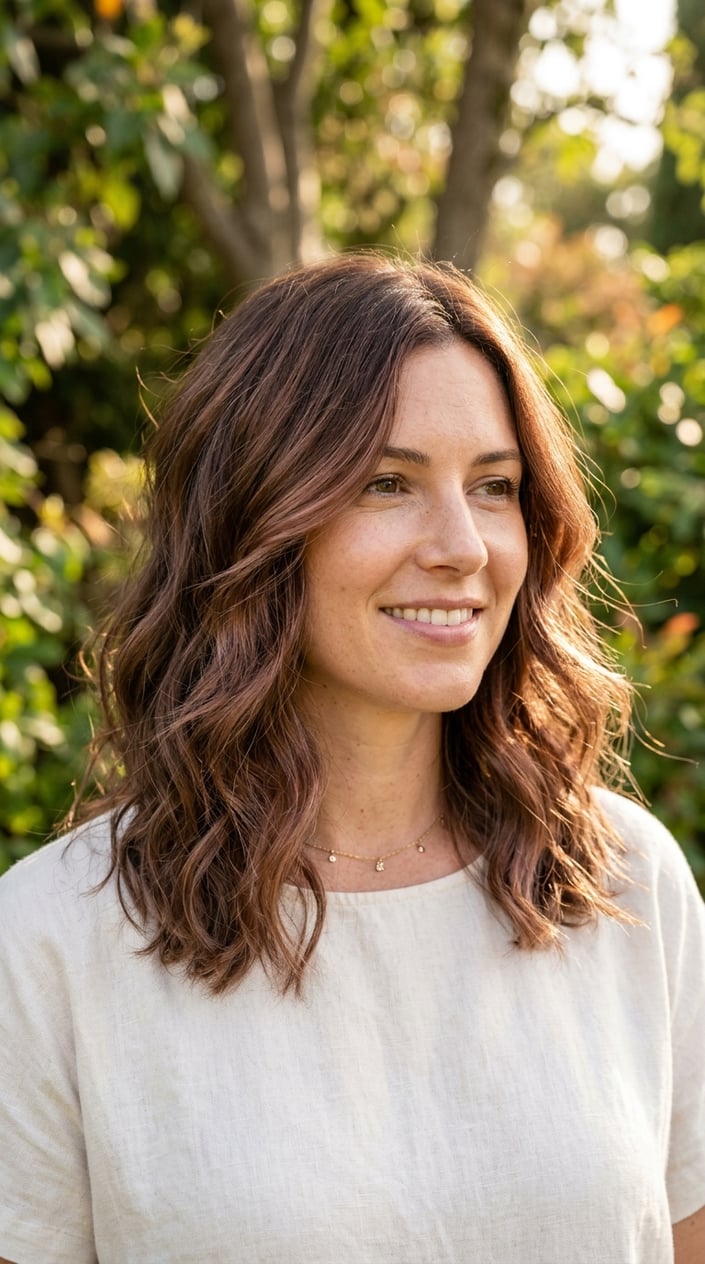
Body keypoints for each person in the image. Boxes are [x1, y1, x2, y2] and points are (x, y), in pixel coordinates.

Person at [0, 253, 703, 1264]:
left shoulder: (626, 883)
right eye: (386, 483)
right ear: (254, 517)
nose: (463, 545)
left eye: (495, 486)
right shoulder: (51, 940)